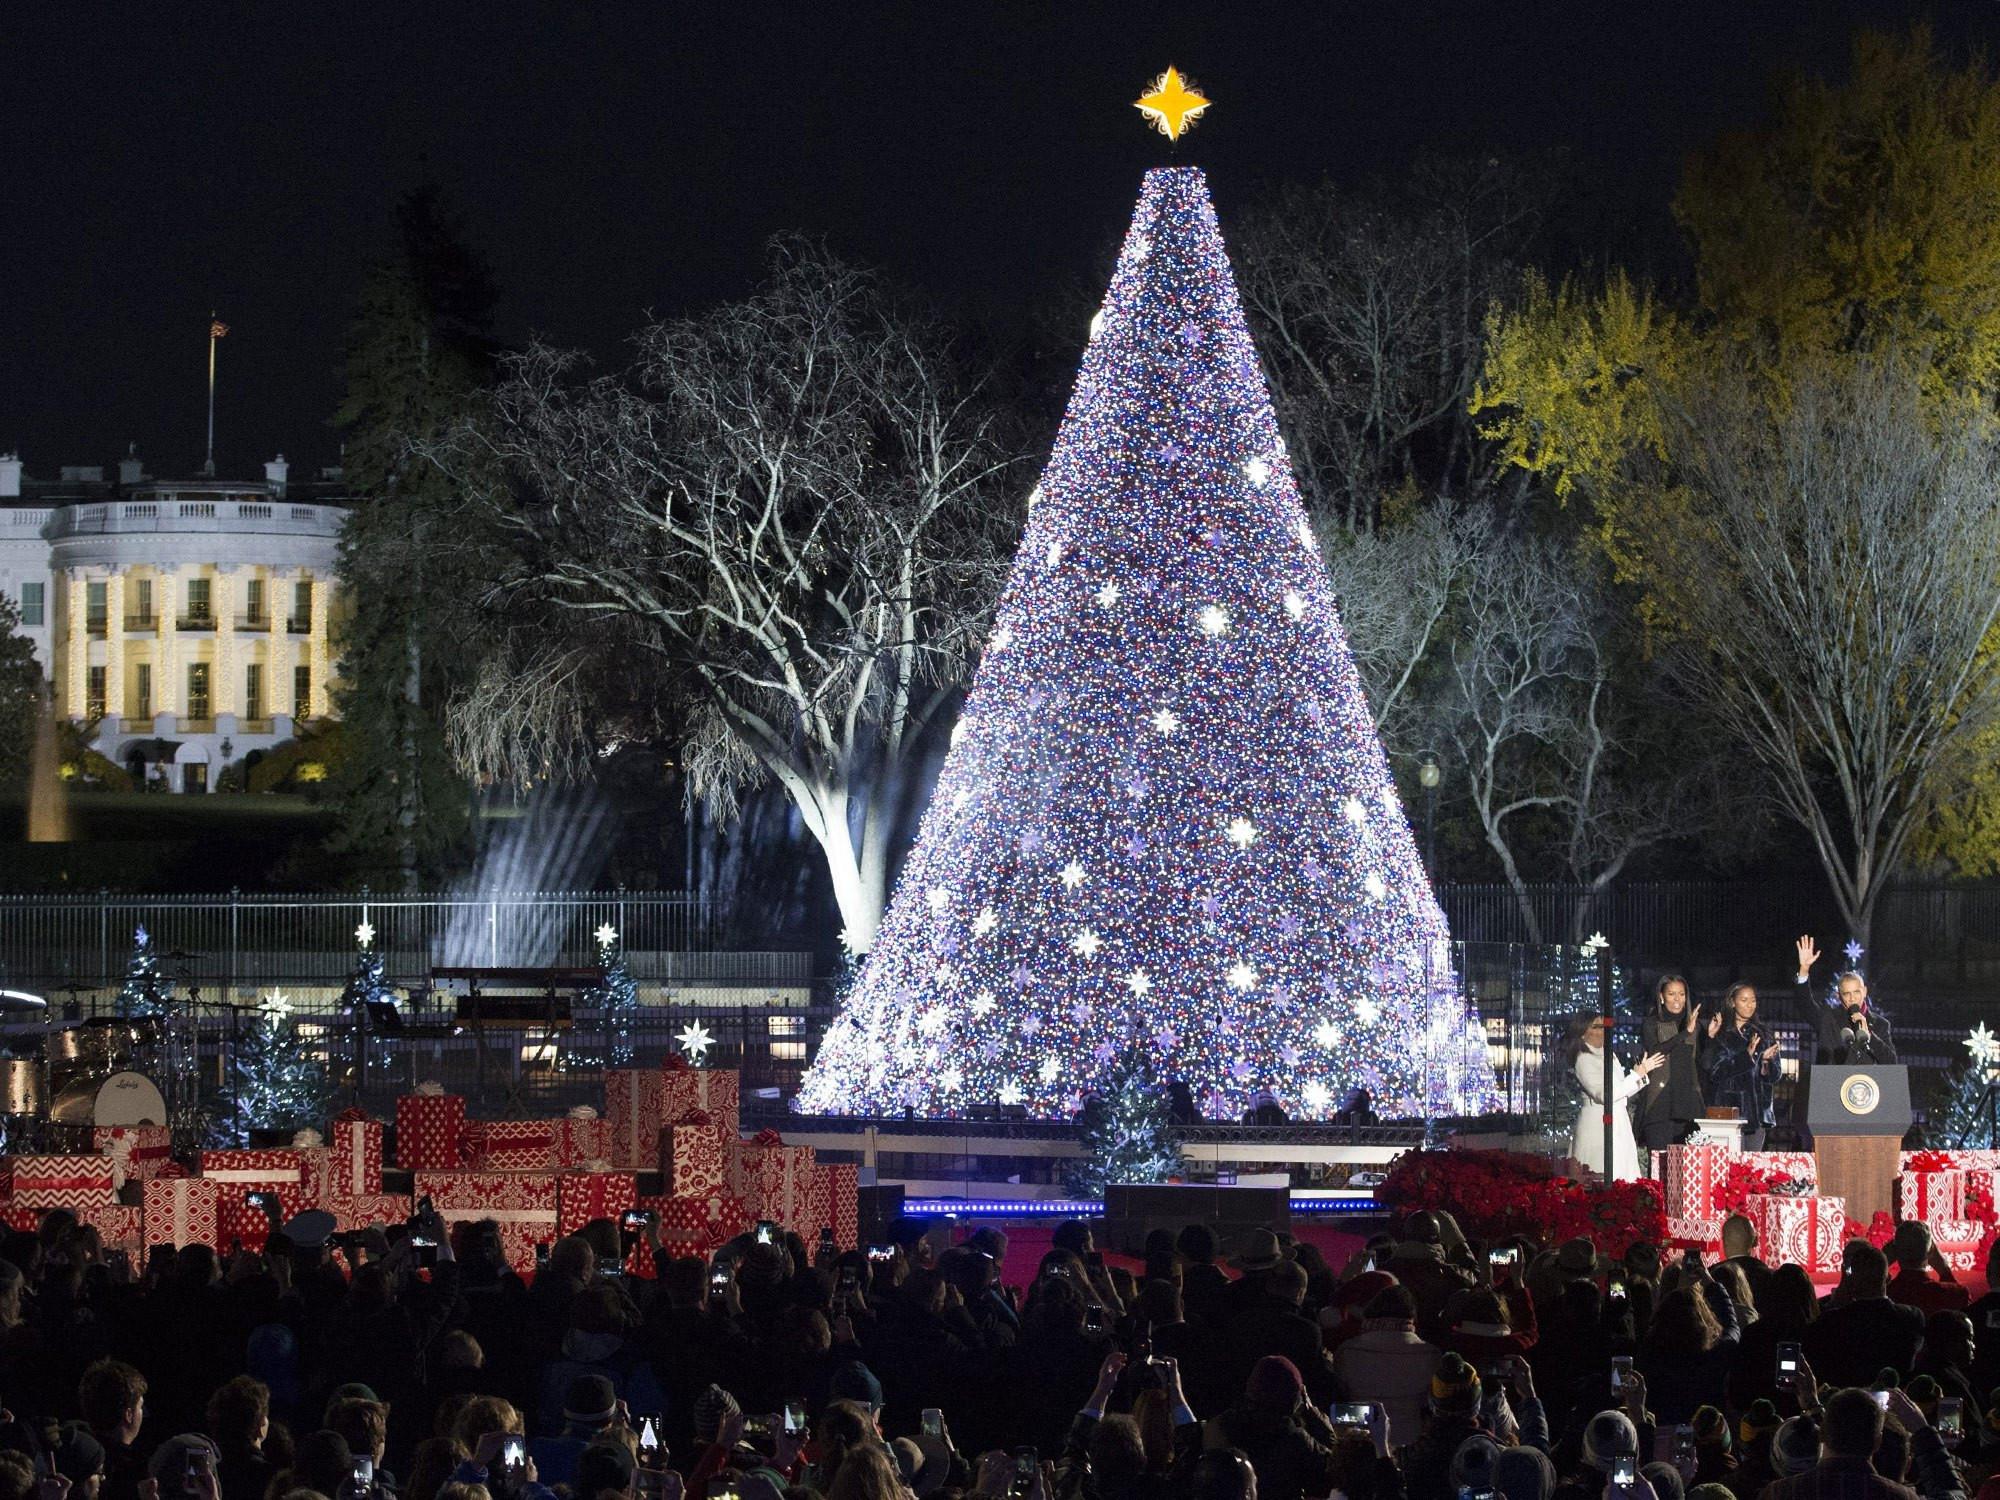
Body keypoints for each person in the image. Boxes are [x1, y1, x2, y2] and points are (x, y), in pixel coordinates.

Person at [1802, 1242, 1923, 1388]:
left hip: (1844, 1403)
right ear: (1888, 1279)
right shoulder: (1911, 1318)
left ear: (1850, 1280)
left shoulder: (1830, 1322)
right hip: (1896, 1403)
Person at [1570, 1017, 1665, 1182]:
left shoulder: (1609, 1055)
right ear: (1583, 1033)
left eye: (1603, 1026)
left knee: (1622, 1172)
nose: (1602, 1031)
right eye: (1597, 1027)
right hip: (1598, 1124)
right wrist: (1637, 1075)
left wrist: (1640, 1075)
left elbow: (1621, 1091)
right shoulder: (1584, 1059)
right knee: (1599, 1173)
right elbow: (1604, 1095)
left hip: (1619, 1121)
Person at [1795, 939, 1897, 1065]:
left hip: (1866, 1083)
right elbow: (1805, 1005)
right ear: (1839, 996)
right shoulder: (1828, 1019)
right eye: (1847, 993)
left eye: (1856, 992)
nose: (1852, 998)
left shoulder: (1881, 1024)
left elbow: (1891, 1062)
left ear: (1864, 991)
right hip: (1831, 1083)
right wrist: (1804, 970)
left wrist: (1870, 1036)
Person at [1703, 986, 1780, 1151]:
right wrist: (1746, 1057)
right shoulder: (1722, 1033)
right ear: (1732, 1002)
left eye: (1753, 1000)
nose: (1749, 1005)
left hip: (1758, 1114)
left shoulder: (1764, 1034)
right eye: (1744, 1000)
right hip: (1730, 1112)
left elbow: (1774, 1076)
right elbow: (1714, 1072)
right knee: (1729, 1167)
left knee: (1750, 1169)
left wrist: (1766, 1062)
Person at [1638, 976, 1706, 1152]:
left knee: (1686, 1165)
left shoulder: (1694, 1025)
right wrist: (1685, 1033)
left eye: (1682, 994)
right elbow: (1655, 1051)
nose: (1677, 1000)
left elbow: (1703, 1063)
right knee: (1660, 1164)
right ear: (1661, 996)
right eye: (1671, 994)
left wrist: (1711, 1037)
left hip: (1688, 1105)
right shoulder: (1652, 1023)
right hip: (1661, 1103)